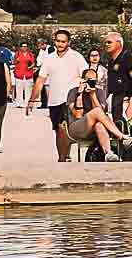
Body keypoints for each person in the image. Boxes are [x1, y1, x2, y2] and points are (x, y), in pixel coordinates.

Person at [28, 29, 89, 164]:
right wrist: (32, 100)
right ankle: (63, 156)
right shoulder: (49, 58)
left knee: (64, 128)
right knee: (57, 130)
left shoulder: (76, 57)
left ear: (68, 42)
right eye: (58, 41)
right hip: (54, 101)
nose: (60, 44)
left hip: (69, 100)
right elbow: (40, 80)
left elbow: (86, 73)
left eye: (63, 41)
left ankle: (63, 158)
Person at [64, 70, 132, 161]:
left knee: (99, 125)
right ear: (82, 80)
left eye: (94, 81)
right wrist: (80, 94)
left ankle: (108, 153)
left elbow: (102, 113)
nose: (91, 83)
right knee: (97, 111)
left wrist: (93, 94)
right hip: (76, 128)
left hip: (92, 130)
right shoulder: (73, 92)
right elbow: (78, 115)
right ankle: (122, 137)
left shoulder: (99, 92)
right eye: (89, 80)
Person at [103, 32, 132, 128]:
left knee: (123, 125)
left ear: (119, 43)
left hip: (124, 99)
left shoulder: (128, 57)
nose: (107, 45)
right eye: (105, 43)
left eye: (109, 42)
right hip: (113, 99)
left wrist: (131, 97)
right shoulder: (111, 61)